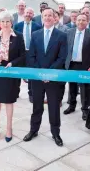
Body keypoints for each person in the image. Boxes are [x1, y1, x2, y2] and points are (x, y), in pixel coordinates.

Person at [23, 8, 67, 147]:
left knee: (54, 107)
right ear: (42, 18)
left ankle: (55, 133)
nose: (47, 18)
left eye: (50, 15)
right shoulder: (35, 34)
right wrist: (41, 73)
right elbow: (31, 56)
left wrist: (49, 73)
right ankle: (33, 130)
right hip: (37, 78)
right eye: (45, 15)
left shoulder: (61, 35)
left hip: (53, 78)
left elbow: (62, 57)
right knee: (37, 106)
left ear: (55, 18)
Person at [0, 11, 26, 142]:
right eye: (3, 21)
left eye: (8, 21)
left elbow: (22, 55)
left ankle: (9, 128)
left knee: (9, 101)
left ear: (11, 22)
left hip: (11, 72)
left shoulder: (18, 36)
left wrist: (12, 63)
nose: (5, 24)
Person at [63, 14, 90, 120]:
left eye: (83, 20)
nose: (80, 22)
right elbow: (66, 48)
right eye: (79, 20)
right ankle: (72, 105)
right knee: (72, 86)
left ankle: (85, 109)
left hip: (85, 65)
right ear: (75, 21)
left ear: (87, 21)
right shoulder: (69, 32)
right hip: (72, 64)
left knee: (85, 88)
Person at [13, 7, 42, 102]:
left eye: (30, 13)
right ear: (23, 13)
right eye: (26, 13)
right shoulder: (17, 26)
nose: (28, 15)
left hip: (32, 53)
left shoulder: (37, 26)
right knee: (18, 72)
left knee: (30, 73)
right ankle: (15, 92)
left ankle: (31, 94)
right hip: (20, 53)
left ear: (33, 15)